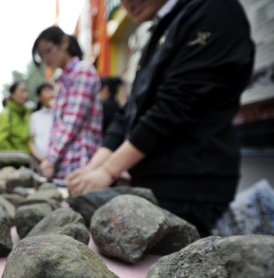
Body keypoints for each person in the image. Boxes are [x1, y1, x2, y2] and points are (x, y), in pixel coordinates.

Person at [66, 0, 255, 237]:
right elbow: (131, 112)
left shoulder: (212, 10)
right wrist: (93, 168)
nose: (126, 2)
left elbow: (174, 107)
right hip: (154, 182)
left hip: (190, 183)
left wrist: (109, 171)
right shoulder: (160, 29)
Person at [32, 26, 103, 180]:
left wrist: (50, 160)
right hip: (65, 163)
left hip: (80, 161)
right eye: (42, 56)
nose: (46, 59)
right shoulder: (62, 81)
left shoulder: (82, 71)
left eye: (48, 50)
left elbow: (71, 122)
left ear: (64, 43)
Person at [0, 81, 31, 154]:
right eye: (22, 91)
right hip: (15, 161)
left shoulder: (28, 114)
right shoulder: (5, 114)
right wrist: (16, 157)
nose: (25, 95)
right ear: (12, 94)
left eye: (26, 91)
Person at [29, 82, 55, 162]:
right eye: (46, 91)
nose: (50, 95)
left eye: (51, 91)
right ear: (39, 97)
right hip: (40, 160)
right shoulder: (34, 116)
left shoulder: (60, 114)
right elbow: (31, 142)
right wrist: (40, 159)